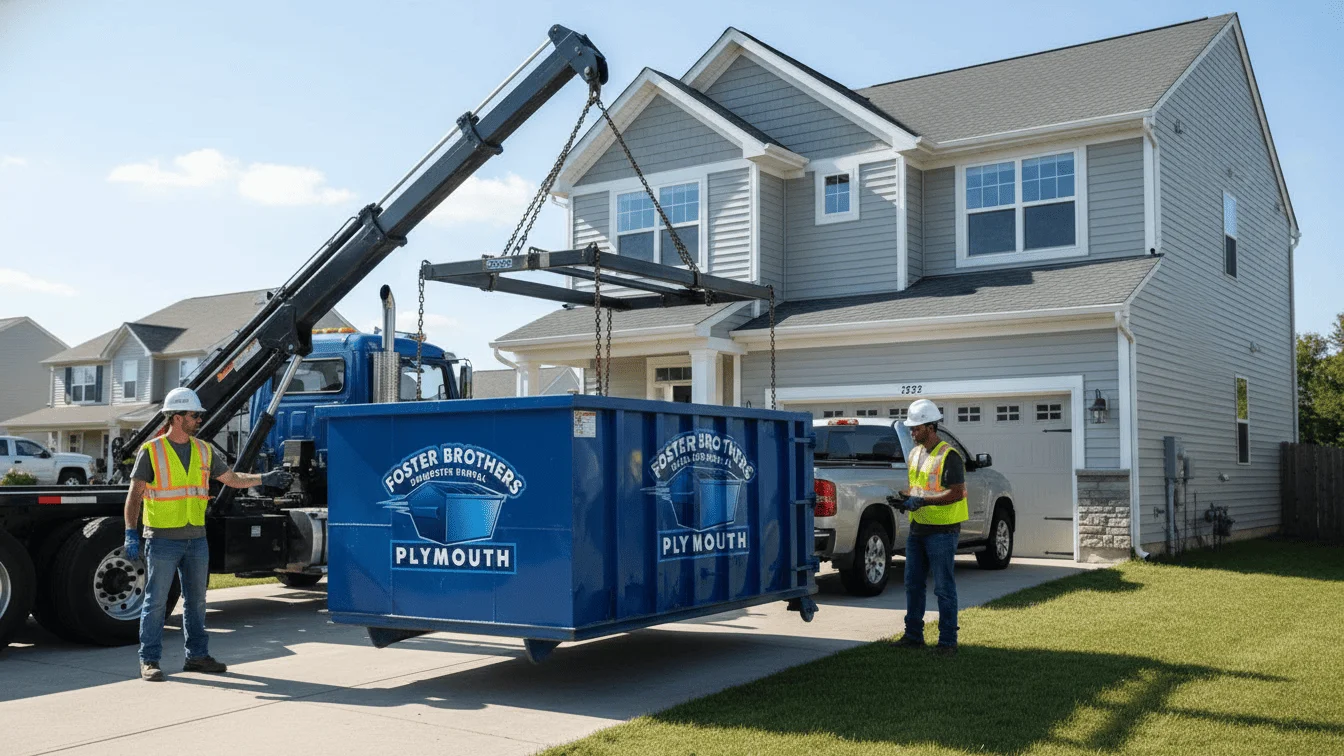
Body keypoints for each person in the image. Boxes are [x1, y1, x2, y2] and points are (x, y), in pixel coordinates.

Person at [123, 387, 291, 681]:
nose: (199, 419)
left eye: (199, 415)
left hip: (196, 539)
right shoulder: (152, 451)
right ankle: (149, 660)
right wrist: (130, 532)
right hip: (162, 539)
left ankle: (197, 657)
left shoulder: (203, 449)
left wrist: (265, 477)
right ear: (176, 417)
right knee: (156, 602)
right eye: (194, 415)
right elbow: (135, 494)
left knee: (197, 602)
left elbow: (232, 479)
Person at [892, 399, 967, 656]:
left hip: (943, 531)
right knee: (913, 584)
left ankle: (948, 642)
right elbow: (918, 488)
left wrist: (921, 500)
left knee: (943, 588)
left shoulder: (950, 456)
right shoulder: (914, 454)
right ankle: (913, 636)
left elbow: (956, 493)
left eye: (916, 428)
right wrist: (904, 498)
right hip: (918, 529)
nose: (912, 432)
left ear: (930, 427)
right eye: (911, 428)